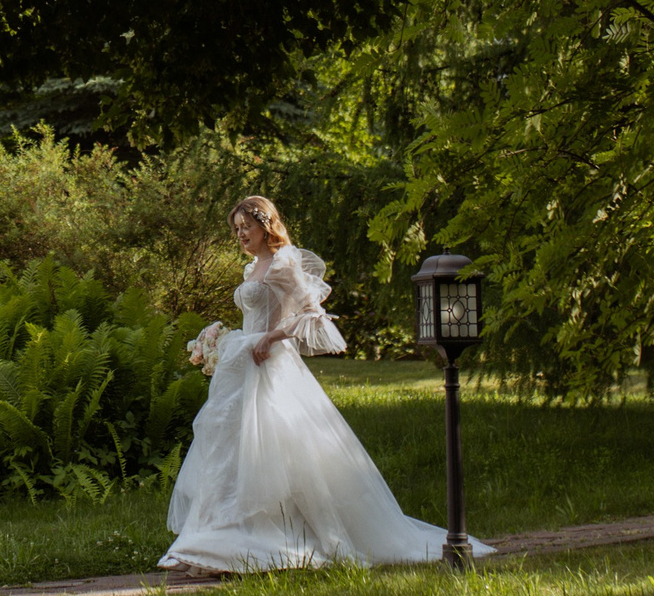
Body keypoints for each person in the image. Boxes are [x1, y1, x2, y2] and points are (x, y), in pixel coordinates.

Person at [159, 194, 491, 571]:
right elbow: (256, 311)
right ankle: (212, 541)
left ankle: (269, 541)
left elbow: (312, 314)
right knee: (227, 452)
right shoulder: (253, 267)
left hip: (270, 367)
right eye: (236, 229)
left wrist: (270, 338)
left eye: (246, 227)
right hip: (241, 366)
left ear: (265, 225)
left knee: (272, 454)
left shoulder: (283, 264)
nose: (240, 234)